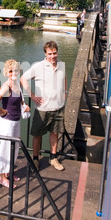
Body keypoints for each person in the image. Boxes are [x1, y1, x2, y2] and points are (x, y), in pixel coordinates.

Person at [21, 41, 67, 172]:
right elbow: (23, 78)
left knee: (55, 132)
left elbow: (64, 79)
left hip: (58, 107)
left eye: (55, 53)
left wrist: (65, 92)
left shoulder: (62, 65)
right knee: (37, 134)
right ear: (45, 54)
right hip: (43, 109)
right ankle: (35, 159)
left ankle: (53, 158)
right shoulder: (38, 66)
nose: (53, 56)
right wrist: (32, 96)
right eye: (50, 54)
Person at [0, 59, 30, 188]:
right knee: (5, 150)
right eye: (11, 70)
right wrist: (2, 111)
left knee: (15, 147)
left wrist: (25, 105)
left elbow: (20, 101)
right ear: (7, 72)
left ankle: (8, 172)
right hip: (7, 123)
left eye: (16, 70)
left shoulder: (17, 83)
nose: (14, 72)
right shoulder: (6, 86)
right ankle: (1, 178)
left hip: (16, 121)